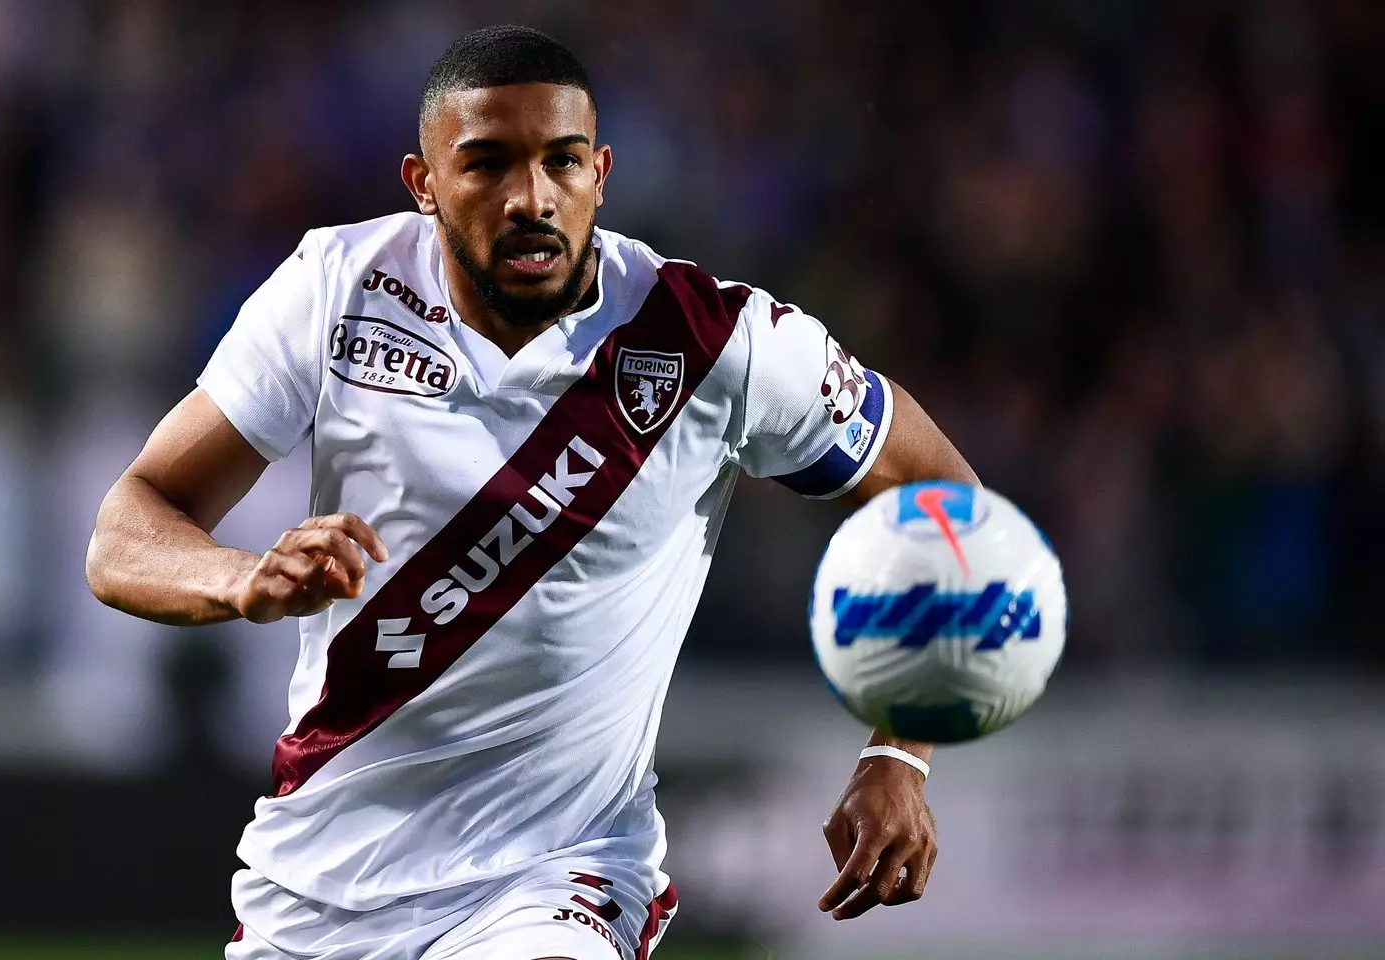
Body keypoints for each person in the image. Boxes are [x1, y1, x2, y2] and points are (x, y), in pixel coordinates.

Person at [86, 24, 977, 960]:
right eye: (487, 165)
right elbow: (127, 529)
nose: (532, 198)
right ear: (423, 183)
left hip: (559, 879)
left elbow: (945, 499)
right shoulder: (337, 290)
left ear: (601, 172)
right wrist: (240, 579)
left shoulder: (713, 340)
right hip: (322, 883)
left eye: (561, 161)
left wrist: (900, 751)